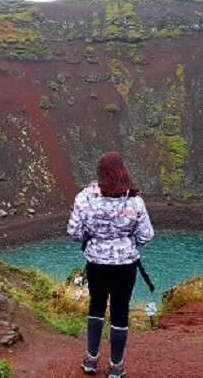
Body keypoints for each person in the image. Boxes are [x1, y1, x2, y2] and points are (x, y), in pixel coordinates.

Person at [67, 151, 154, 378]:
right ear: (122, 171)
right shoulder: (135, 201)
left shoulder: (84, 198)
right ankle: (116, 366)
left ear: (100, 172)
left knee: (96, 305)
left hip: (96, 262)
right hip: (125, 265)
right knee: (120, 311)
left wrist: (94, 238)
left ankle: (91, 359)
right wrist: (127, 243)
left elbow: (74, 232)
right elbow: (146, 235)